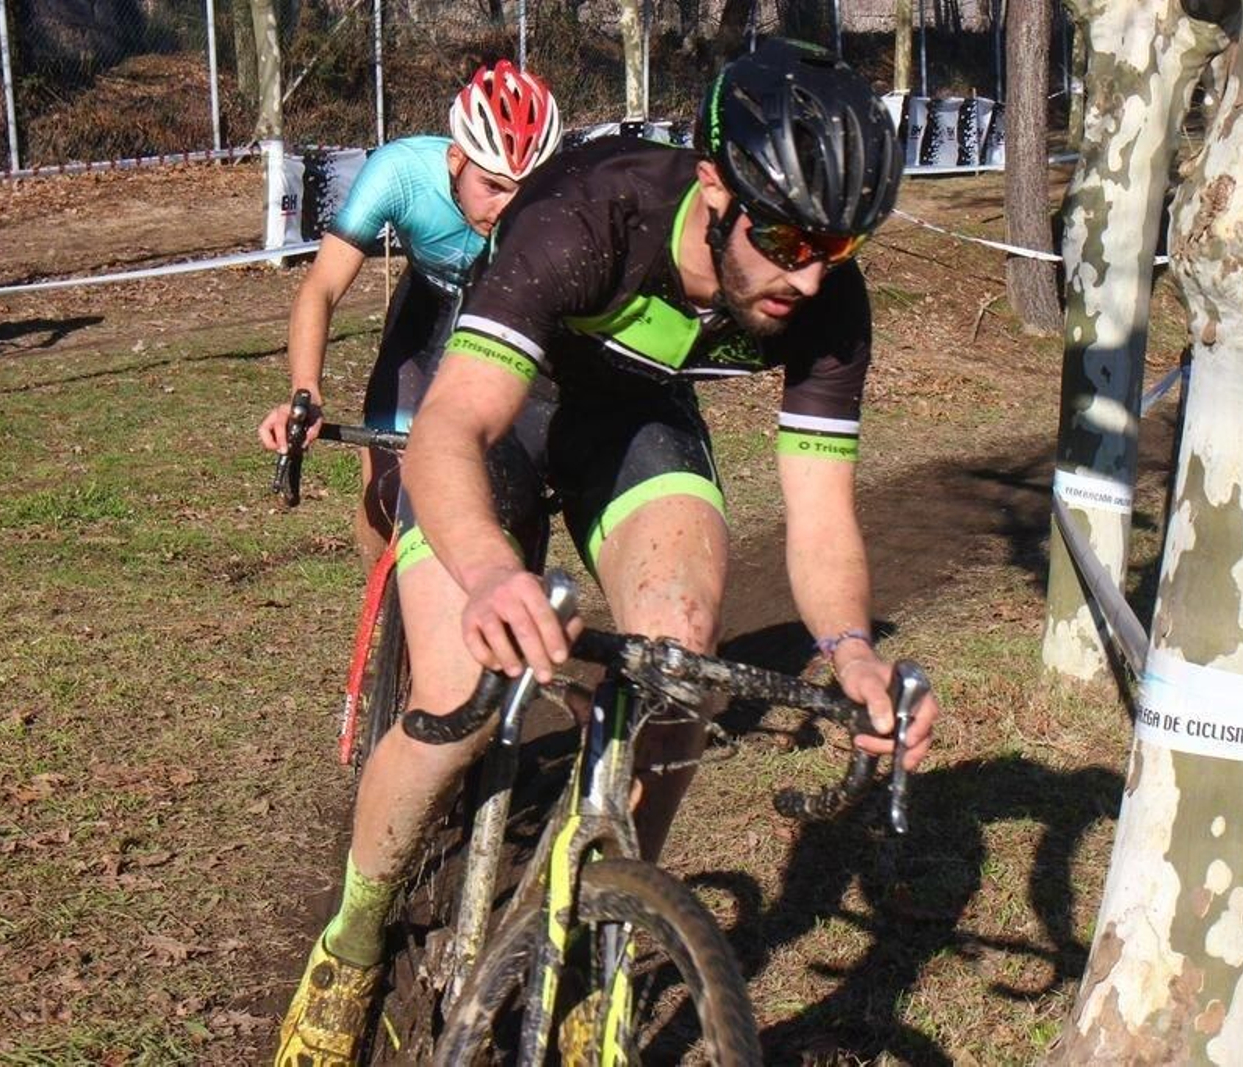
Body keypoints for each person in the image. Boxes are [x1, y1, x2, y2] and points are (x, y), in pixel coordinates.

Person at [275, 38, 940, 1065]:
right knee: (455, 695)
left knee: (680, 659)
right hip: (506, 408)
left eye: (838, 249)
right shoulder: (590, 213)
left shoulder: (823, 299)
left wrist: (850, 648)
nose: (808, 278)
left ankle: (608, 935)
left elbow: (818, 513)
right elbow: (450, 429)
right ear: (715, 187)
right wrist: (494, 574)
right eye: (786, 237)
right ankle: (351, 941)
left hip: (633, 422)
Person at [257, 60, 562, 566]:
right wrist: (303, 390)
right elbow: (322, 286)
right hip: (427, 317)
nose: (507, 209)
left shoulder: (564, 195)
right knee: (385, 497)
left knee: (514, 495)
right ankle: (390, 628)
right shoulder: (399, 173)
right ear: (456, 159)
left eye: (523, 189)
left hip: (512, 323)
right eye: (492, 186)